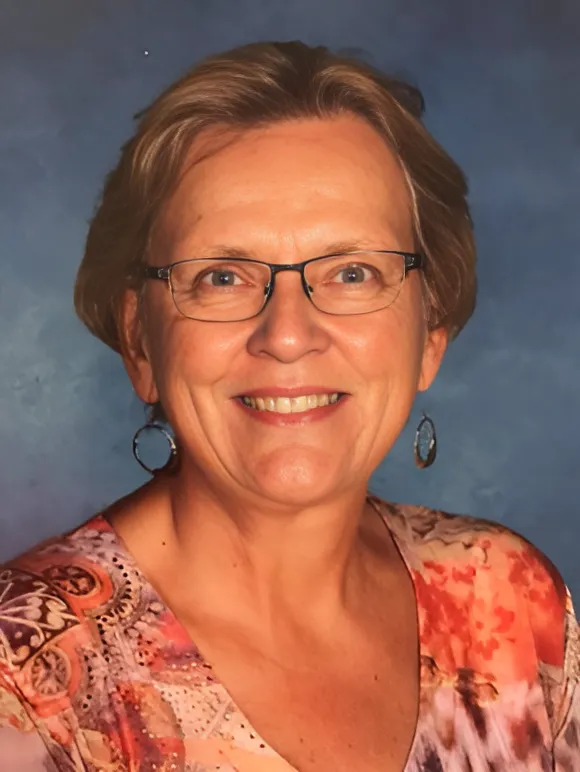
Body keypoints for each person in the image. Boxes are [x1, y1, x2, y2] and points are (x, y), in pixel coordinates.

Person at [0, 40, 577, 772]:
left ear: (430, 334)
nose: (289, 334)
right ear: (140, 340)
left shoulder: (508, 600)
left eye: (352, 272)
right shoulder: (24, 680)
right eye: (221, 277)